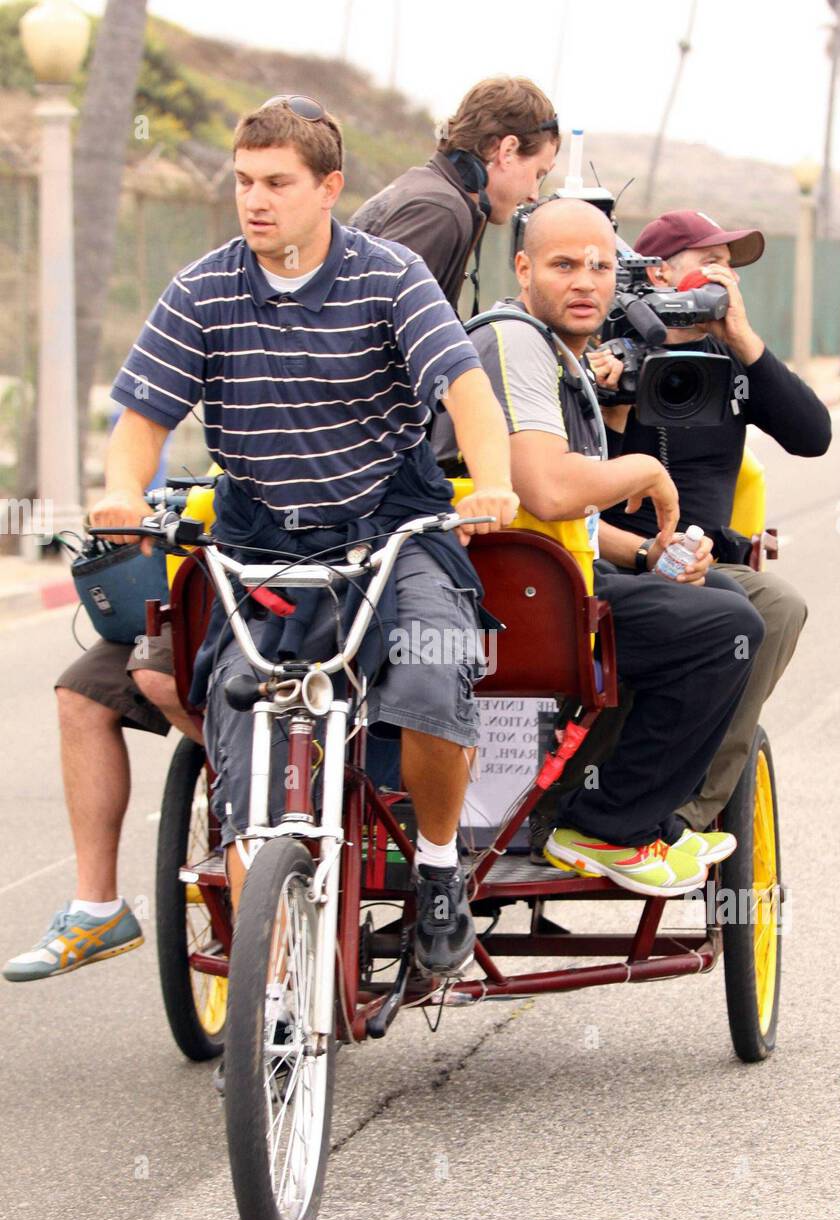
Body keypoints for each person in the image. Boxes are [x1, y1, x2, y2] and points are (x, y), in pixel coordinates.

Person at [11, 96, 520, 985]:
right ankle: (272, 1001)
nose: (255, 200)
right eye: (244, 181)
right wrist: (121, 493)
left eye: (277, 182)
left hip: (392, 527)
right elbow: (142, 420)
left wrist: (497, 482)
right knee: (241, 731)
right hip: (260, 542)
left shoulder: (390, 276)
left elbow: (466, 391)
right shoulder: (203, 288)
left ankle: (439, 867)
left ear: (329, 187)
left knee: (437, 669)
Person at [433, 197, 766, 894]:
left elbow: (556, 515)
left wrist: (646, 557)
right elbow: (549, 491)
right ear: (523, 269)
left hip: (532, 581)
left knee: (723, 600)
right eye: (564, 265)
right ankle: (608, 825)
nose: (585, 281)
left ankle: (620, 812)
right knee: (728, 626)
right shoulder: (513, 340)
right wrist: (645, 468)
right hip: (496, 601)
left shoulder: (557, 352)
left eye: (600, 266)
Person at [597, 208, 831, 827]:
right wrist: (614, 394)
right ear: (657, 274)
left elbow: (813, 436)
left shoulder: (730, 364)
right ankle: (586, 789)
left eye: (730, 266)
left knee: (776, 606)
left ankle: (693, 808)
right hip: (615, 556)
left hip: (709, 564)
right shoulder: (607, 349)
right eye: (711, 261)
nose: (725, 276)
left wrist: (744, 341)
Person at [3, 492, 201, 983]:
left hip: (322, 574)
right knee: (81, 692)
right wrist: (124, 497)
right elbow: (136, 435)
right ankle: (98, 908)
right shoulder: (229, 425)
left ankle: (267, 784)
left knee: (158, 675)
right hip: (210, 578)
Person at [351, 76, 558, 314]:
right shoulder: (440, 212)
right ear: (507, 150)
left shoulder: (426, 189)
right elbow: (373, 327)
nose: (534, 195)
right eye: (537, 174)